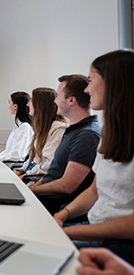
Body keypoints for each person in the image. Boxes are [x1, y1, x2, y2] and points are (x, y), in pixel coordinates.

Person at [53, 50, 134, 261]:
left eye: (90, 80)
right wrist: (63, 215)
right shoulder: (110, 133)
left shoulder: (91, 133)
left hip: (121, 245)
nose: (87, 89)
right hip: (95, 229)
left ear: (114, 83)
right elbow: (95, 191)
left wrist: (68, 232)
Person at [29, 75, 101, 213]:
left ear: (71, 100)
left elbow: (66, 186)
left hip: (55, 206)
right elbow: (53, 174)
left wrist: (31, 191)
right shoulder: (73, 130)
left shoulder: (87, 135)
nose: (54, 101)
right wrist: (29, 190)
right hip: (44, 199)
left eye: (57, 96)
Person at [16, 88, 67, 184]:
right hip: (31, 173)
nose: (28, 104)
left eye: (31, 100)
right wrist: (21, 171)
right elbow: (33, 158)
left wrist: (25, 175)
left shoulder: (58, 128)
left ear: (41, 105)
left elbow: (48, 165)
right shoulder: (41, 126)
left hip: (37, 178)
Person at [0, 91, 33, 162]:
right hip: (6, 164)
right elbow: (8, 151)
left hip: (13, 168)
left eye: (9, 102)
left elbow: (17, 155)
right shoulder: (18, 125)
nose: (8, 105)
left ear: (15, 106)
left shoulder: (25, 127)